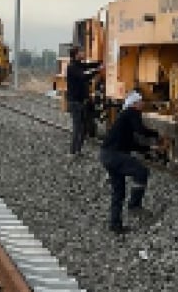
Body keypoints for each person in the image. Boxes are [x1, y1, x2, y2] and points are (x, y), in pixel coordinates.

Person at [99, 90, 160, 234]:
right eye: (141, 101)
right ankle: (135, 205)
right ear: (134, 103)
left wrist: (150, 148)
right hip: (115, 155)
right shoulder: (132, 113)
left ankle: (115, 225)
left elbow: (132, 144)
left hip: (106, 155)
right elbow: (140, 130)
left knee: (118, 192)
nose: (143, 104)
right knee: (141, 171)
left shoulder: (123, 118)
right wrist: (156, 134)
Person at [65, 47, 100, 156]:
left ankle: (78, 150)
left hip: (82, 101)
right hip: (75, 102)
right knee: (78, 127)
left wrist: (99, 63)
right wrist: (98, 71)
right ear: (76, 54)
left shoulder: (78, 65)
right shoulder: (72, 67)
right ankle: (72, 151)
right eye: (81, 52)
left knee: (84, 127)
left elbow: (88, 66)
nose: (83, 53)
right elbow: (84, 76)